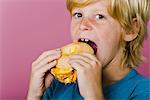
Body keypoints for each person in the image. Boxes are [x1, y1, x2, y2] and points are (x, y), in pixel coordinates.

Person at [27, 0, 150, 100]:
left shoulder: (143, 92)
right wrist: (34, 95)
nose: (82, 25)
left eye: (99, 16)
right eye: (78, 15)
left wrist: (93, 95)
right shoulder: (58, 84)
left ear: (131, 29)